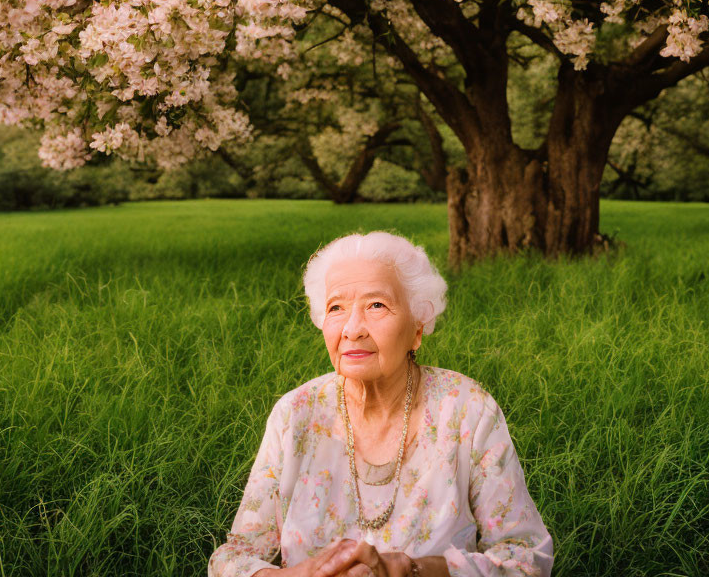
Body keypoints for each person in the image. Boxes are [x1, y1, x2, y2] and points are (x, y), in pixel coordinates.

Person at [208, 232, 553, 577]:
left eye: (376, 305)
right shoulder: (295, 413)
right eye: (336, 308)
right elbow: (232, 559)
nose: (352, 328)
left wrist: (412, 569)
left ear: (417, 328)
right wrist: (300, 575)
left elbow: (525, 558)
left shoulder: (467, 409)